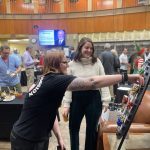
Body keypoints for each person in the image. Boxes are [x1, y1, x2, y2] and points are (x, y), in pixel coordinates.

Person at [10, 50, 144, 150]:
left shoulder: (44, 79)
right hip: (27, 140)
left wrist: (59, 137)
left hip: (32, 137)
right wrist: (126, 77)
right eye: (64, 62)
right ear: (55, 65)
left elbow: (50, 113)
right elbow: (92, 82)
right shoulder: (55, 79)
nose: (67, 65)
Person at [62, 37, 111, 150]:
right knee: (73, 128)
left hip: (93, 98)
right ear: (80, 48)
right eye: (86, 47)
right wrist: (66, 105)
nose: (89, 50)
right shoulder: (71, 64)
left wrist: (106, 101)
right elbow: (68, 87)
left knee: (92, 129)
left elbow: (103, 81)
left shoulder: (97, 62)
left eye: (91, 48)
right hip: (76, 98)